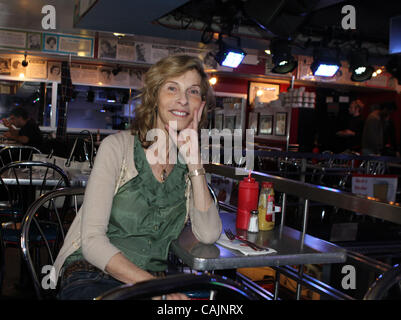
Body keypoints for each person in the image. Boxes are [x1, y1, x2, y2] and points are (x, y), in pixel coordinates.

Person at [53, 55, 222, 300]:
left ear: (201, 105)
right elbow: (91, 243)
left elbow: (208, 234)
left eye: (193, 91)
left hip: (151, 282)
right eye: (172, 88)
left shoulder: (187, 162)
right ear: (154, 96)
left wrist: (195, 161)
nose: (183, 99)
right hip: (93, 275)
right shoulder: (117, 147)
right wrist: (153, 287)